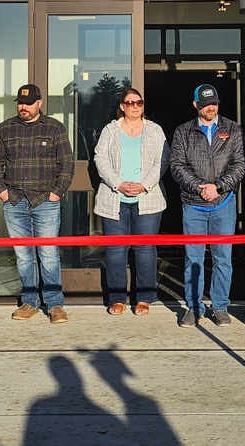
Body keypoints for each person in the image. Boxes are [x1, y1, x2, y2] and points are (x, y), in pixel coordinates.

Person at [0, 84, 74, 324]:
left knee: (48, 254)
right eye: (20, 103)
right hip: (14, 201)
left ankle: (55, 304)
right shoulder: (5, 129)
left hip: (45, 200)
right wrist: (2, 192)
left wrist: (56, 193)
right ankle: (30, 302)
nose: (23, 107)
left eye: (28, 103)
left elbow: (66, 165)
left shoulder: (54, 128)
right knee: (23, 255)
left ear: (40, 103)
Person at [170, 84, 245, 328]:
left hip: (223, 203)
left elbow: (239, 165)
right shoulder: (183, 132)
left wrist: (219, 187)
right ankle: (194, 307)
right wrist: (199, 186)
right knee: (194, 258)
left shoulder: (232, 129)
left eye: (214, 103)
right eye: (205, 104)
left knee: (223, 258)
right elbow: (177, 166)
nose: (211, 107)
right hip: (193, 205)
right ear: (196, 106)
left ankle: (220, 306)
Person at [94, 88, 170, 316]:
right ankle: (117, 298)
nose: (134, 106)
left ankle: (145, 298)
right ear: (122, 106)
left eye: (138, 102)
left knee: (145, 249)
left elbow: (162, 159)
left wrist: (145, 184)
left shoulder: (155, 130)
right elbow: (100, 158)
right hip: (115, 198)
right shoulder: (110, 130)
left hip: (147, 198)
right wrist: (118, 183)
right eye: (129, 103)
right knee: (116, 250)